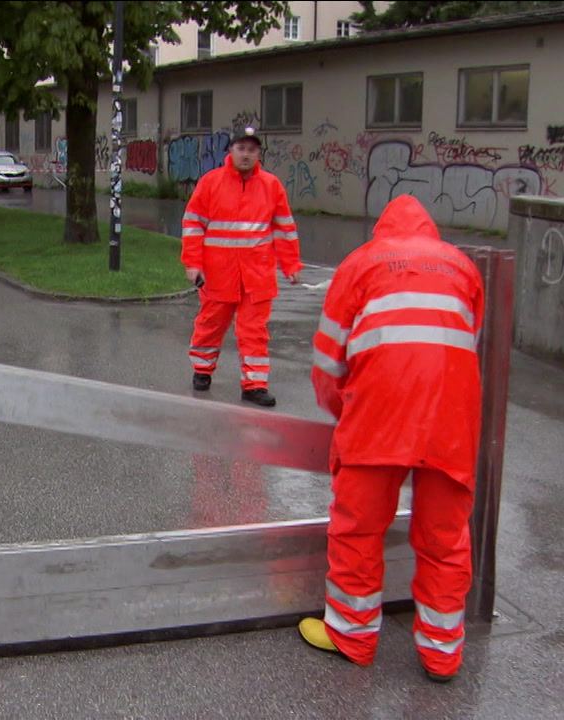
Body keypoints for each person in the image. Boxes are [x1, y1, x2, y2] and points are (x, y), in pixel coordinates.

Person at [297, 194, 484, 683]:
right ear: (430, 232)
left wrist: (344, 414)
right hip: (451, 422)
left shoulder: (360, 264)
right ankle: (441, 651)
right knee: (445, 538)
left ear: (383, 230)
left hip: (378, 417)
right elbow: (465, 344)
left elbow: (327, 363)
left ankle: (352, 635)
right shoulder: (464, 268)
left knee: (359, 528)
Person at [180, 126, 303, 408]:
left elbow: (284, 228)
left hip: (256, 275)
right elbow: (193, 224)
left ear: (258, 153)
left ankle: (255, 385)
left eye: (251, 150)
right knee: (210, 325)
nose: (246, 154)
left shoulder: (271, 186)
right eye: (241, 149)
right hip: (218, 273)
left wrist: (291, 264)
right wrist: (192, 264)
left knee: (254, 332)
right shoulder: (211, 182)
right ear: (231, 151)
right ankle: (202, 369)